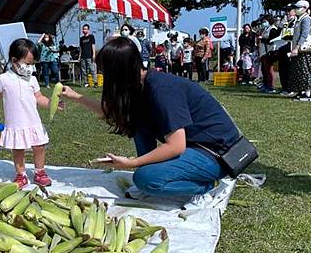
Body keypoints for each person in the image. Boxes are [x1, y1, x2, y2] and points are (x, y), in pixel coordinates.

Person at [60, 37, 240, 204]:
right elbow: (114, 113)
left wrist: (131, 163)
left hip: (218, 154)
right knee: (137, 122)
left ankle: (207, 186)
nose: (105, 77)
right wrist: (75, 96)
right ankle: (164, 172)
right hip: (197, 146)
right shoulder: (138, 85)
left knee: (146, 179)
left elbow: (176, 146)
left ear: (119, 70)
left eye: (106, 72)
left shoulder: (162, 89)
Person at [0, 38, 59, 188]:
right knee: (18, 150)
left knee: (39, 146)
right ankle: (21, 174)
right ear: (14, 60)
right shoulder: (3, 79)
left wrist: (52, 104)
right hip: (15, 122)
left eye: (33, 64)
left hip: (33, 121)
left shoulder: (32, 80)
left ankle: (40, 172)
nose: (31, 68)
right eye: (28, 63)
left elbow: (39, 98)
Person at [288, 0, 311, 101]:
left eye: (298, 8)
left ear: (305, 8)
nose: (296, 9)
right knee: (298, 71)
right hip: (297, 49)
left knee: (304, 71)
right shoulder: (299, 19)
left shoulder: (306, 19)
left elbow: (304, 34)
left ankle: (307, 93)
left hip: (303, 49)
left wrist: (297, 47)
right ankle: (301, 91)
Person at [278, 5, 296, 96]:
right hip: (282, 46)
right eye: (287, 10)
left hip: (291, 46)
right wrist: (283, 22)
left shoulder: (296, 21)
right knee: (282, 68)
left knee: (289, 68)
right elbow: (279, 30)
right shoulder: (285, 21)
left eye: (290, 10)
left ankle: (290, 88)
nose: (288, 13)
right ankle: (284, 87)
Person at [258, 15, 280, 93]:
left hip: (269, 52)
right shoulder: (265, 29)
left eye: (265, 21)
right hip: (263, 52)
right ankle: (266, 85)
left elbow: (272, 40)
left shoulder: (273, 29)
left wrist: (262, 39)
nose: (263, 23)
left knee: (269, 70)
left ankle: (271, 86)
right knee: (264, 70)